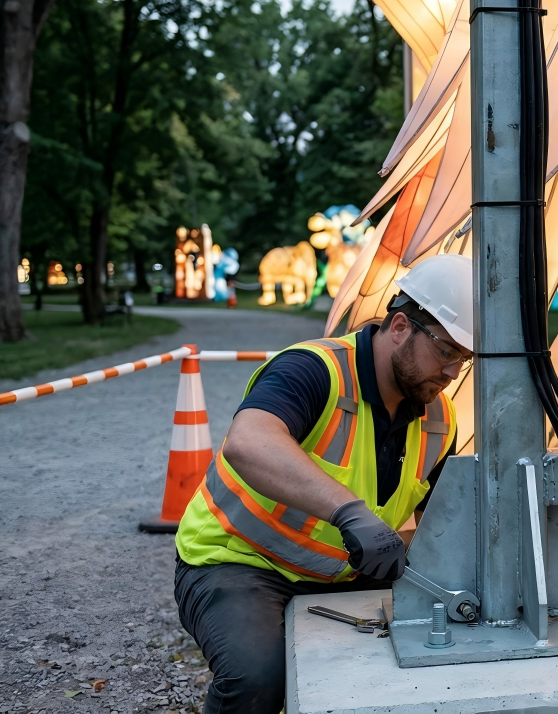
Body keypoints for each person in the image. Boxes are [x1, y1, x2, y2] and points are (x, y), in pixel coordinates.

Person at [173, 254, 474, 713]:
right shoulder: (314, 370)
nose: (453, 373)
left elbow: (443, 522)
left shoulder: (439, 416)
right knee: (258, 678)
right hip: (238, 561)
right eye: (447, 351)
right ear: (399, 327)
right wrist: (350, 512)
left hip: (344, 575)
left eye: (465, 359)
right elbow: (248, 442)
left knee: (404, 665)